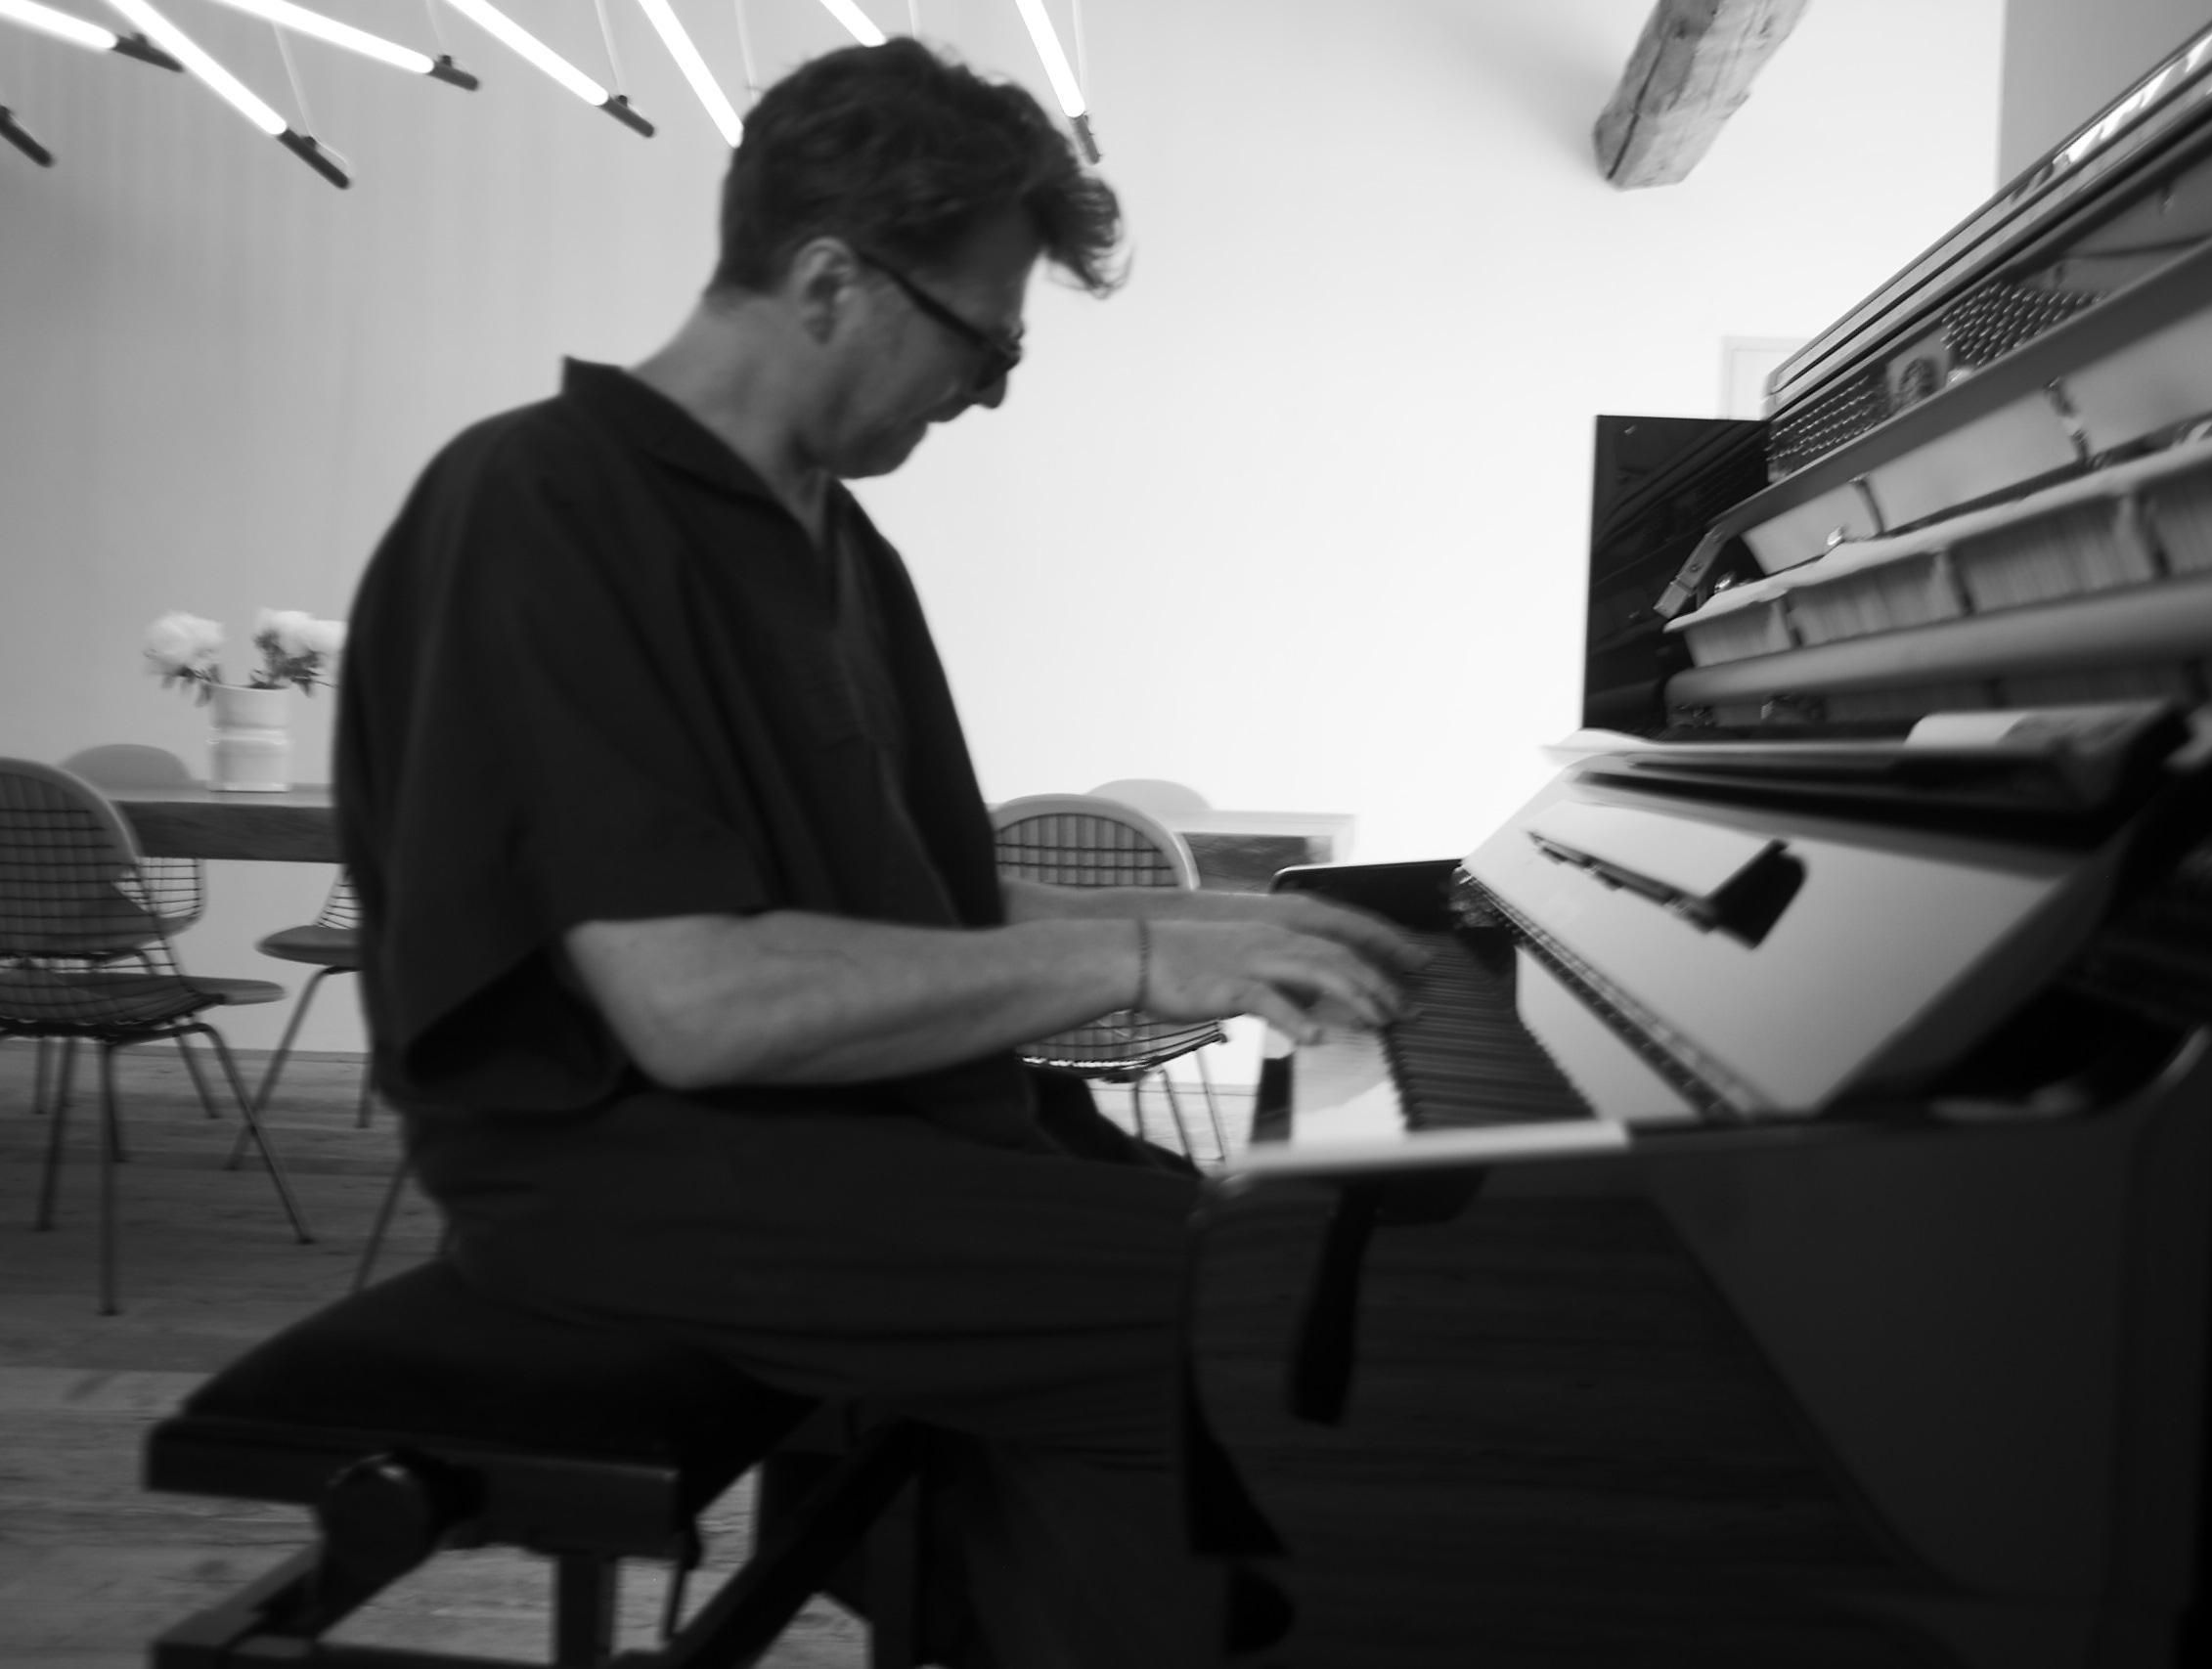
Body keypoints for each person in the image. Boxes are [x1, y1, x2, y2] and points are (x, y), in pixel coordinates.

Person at [333, 38, 1421, 1669]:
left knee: (1283, 1254)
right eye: (987, 341)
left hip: (849, 1138)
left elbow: (931, 901)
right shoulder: (539, 502)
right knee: (1267, 1320)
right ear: (831, 279)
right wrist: (1137, 956)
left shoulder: (841, 543)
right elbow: (696, 1004)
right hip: (633, 1177)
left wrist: (1217, 923)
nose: (989, 392)